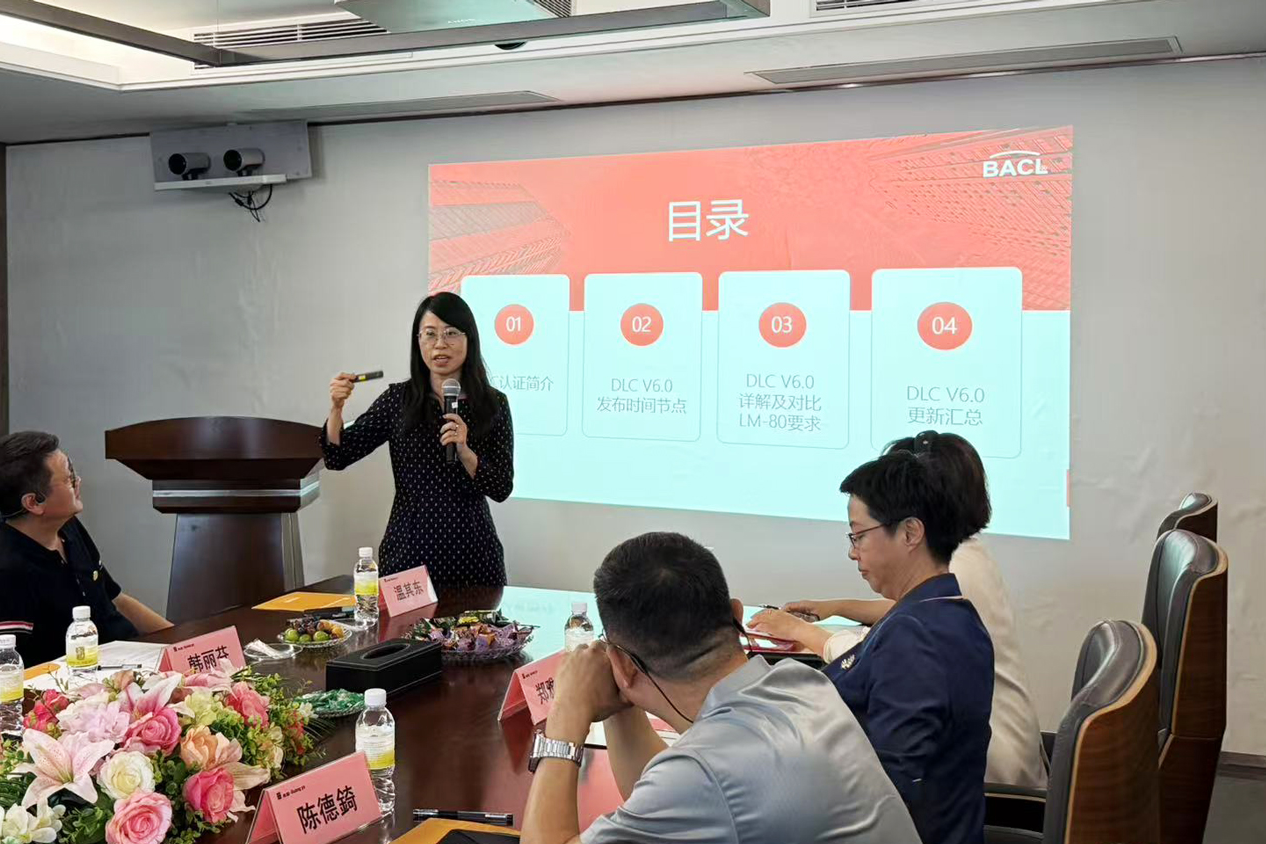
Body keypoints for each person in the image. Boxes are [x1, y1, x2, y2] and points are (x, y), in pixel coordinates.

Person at [520, 532, 918, 844]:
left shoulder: (703, 776)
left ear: (621, 663)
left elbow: (697, 786)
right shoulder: (801, 683)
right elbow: (656, 796)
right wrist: (619, 701)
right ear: (736, 614)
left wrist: (567, 714)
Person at [753, 431, 1046, 789]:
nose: (852, 552)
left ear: (912, 529)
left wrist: (801, 633)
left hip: (996, 772)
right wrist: (837, 608)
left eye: (859, 536)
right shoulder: (938, 592)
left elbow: (891, 783)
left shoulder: (929, 616)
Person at [322, 291, 514, 587]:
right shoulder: (398, 400)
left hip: (474, 554)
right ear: (418, 341)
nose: (440, 344)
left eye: (451, 333)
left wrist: (465, 452)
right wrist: (336, 408)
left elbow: (501, 487)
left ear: (470, 339)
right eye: (430, 334)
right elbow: (338, 456)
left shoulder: (493, 404)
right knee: (403, 622)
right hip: (409, 553)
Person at [0, 431, 170, 665]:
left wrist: (182, 640)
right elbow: (9, 671)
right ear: (33, 502)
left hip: (134, 660)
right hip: (86, 680)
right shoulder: (3, 577)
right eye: (68, 478)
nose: (78, 482)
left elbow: (116, 599)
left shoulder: (68, 528)